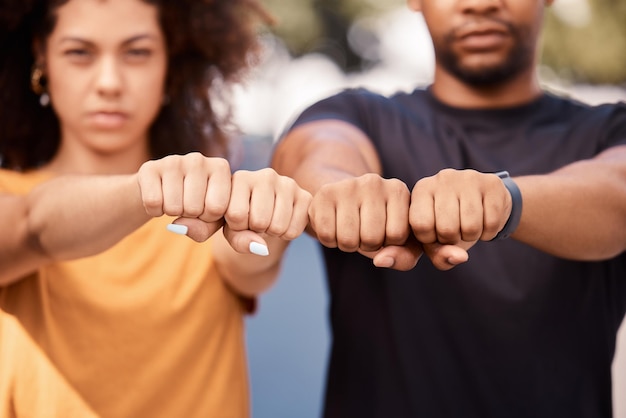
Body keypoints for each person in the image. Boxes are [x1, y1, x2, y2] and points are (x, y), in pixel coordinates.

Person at [272, 0, 626, 417]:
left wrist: (500, 200)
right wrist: (343, 195)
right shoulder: (356, 114)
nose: (479, 3)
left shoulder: (609, 130)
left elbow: (616, 192)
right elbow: (312, 158)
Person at [0, 0, 311, 417]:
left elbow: (248, 265)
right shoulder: (9, 197)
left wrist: (269, 223)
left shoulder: (210, 202)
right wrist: (147, 191)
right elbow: (30, 228)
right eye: (79, 53)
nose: (109, 82)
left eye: (137, 52)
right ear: (42, 57)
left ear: (170, 64)